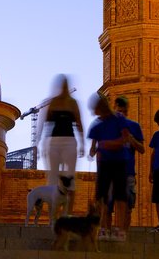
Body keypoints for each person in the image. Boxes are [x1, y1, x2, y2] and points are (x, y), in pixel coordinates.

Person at [40, 75, 84, 214]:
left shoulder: (73, 103)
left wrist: (82, 143)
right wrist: (41, 143)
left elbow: (78, 123)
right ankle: (53, 215)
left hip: (69, 142)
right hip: (53, 142)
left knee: (70, 177)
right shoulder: (53, 102)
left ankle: (67, 214)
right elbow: (45, 123)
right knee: (53, 177)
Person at [87, 93, 129, 241]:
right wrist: (92, 151)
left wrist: (111, 144)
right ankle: (103, 228)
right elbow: (93, 146)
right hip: (103, 164)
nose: (93, 112)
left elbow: (125, 138)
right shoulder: (97, 125)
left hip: (119, 162)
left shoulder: (119, 120)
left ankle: (120, 230)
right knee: (101, 198)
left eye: (95, 109)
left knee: (120, 196)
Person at [110, 96, 144, 232]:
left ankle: (123, 233)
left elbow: (142, 149)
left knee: (128, 206)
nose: (121, 114)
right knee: (108, 205)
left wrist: (131, 138)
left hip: (128, 172)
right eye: (118, 111)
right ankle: (107, 230)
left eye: (123, 111)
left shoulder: (134, 126)